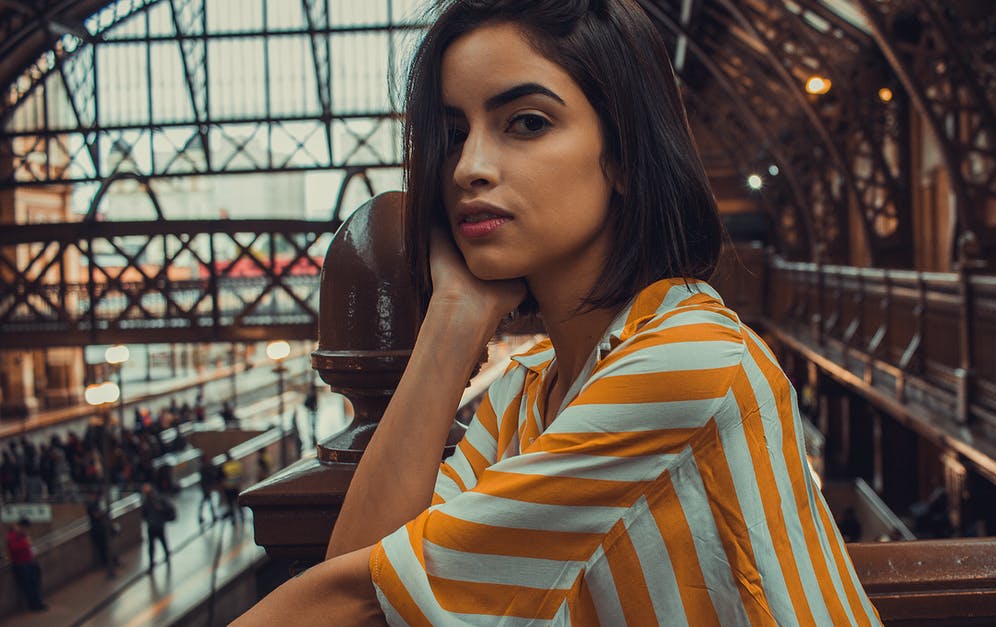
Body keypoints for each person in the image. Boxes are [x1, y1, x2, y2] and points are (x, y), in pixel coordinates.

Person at [237, 1, 878, 624]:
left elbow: (354, 603)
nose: (469, 167)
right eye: (454, 134)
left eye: (527, 122)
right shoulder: (531, 387)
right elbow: (369, 581)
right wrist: (457, 314)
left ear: (625, 155)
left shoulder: (690, 358)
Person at [6, 518, 46, 611]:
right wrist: (25, 541)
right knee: (28, 586)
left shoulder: (23, 535)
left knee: (35, 583)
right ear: (20, 526)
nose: (26, 530)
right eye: (25, 527)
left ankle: (38, 603)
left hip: (30, 561)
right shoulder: (12, 535)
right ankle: (33, 606)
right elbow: (15, 548)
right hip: (21, 564)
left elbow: (28, 546)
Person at [140, 483, 173, 566]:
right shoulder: (146, 502)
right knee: (152, 544)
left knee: (162, 541)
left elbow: (168, 508)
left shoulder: (158, 499)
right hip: (152, 525)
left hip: (158, 524)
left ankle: (166, 554)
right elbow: (143, 514)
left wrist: (160, 510)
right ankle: (152, 561)